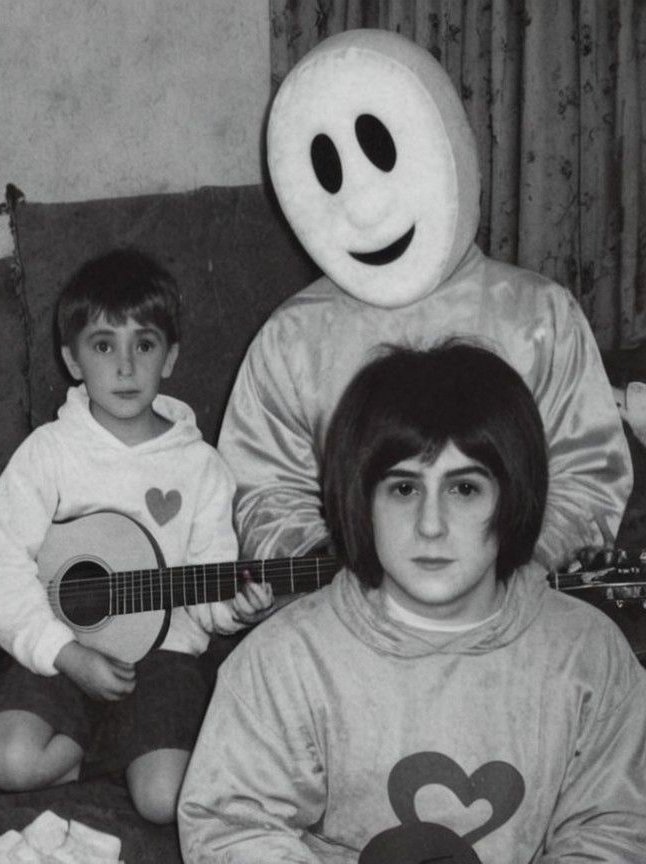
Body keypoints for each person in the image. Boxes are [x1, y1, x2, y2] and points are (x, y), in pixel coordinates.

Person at [179, 341, 646, 863]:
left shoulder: (590, 658)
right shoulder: (285, 661)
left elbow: (614, 830)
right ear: (362, 500)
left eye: (464, 489)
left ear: (514, 497)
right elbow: (232, 827)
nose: (430, 524)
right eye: (403, 489)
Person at [219, 29, 630, 572]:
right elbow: (265, 492)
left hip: (517, 617)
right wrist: (343, 583)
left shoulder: (540, 315)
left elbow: (584, 475)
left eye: (381, 150)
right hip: (354, 628)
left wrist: (516, 578)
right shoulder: (291, 338)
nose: (365, 205)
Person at [0, 248, 272, 825]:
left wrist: (237, 606)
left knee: (165, 803)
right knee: (8, 761)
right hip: (60, 650)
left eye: (145, 345)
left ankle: (126, 753)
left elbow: (211, 583)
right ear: (72, 360)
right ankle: (105, 752)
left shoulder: (201, 466)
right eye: (104, 346)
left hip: (163, 662)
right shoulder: (47, 454)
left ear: (172, 356)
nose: (125, 367)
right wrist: (65, 654)